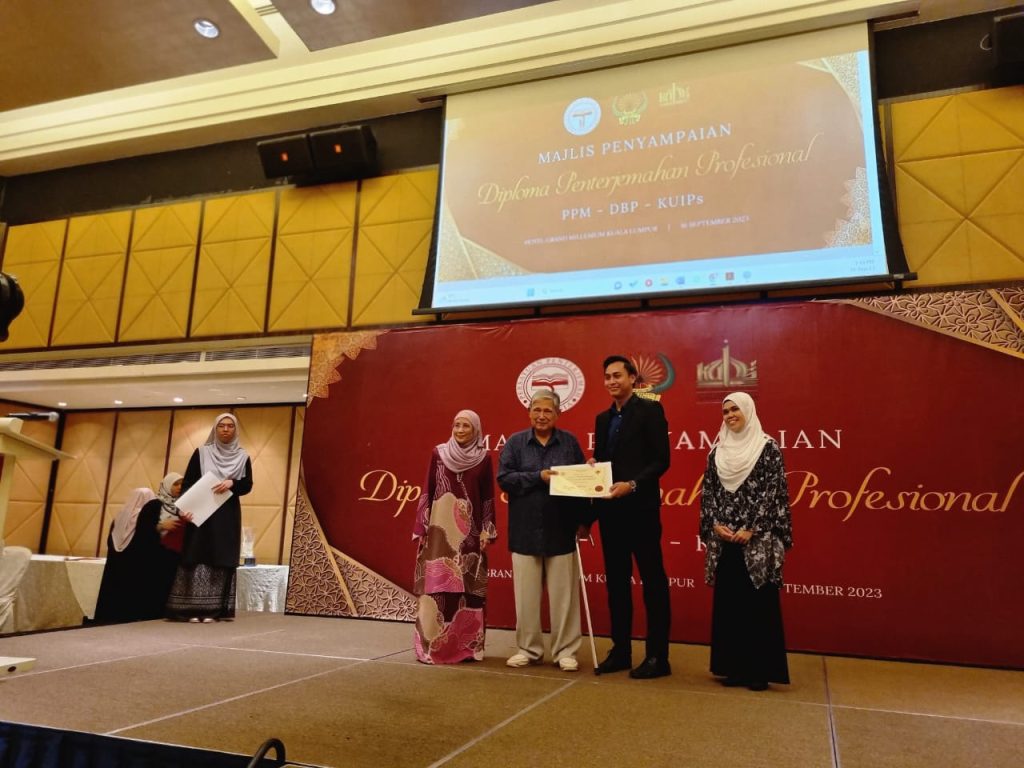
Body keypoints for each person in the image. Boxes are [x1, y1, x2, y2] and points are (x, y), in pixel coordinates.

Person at [700, 392, 793, 691]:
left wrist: (752, 528)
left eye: (735, 409)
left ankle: (759, 671)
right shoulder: (717, 452)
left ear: (748, 411)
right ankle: (734, 668)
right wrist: (715, 524)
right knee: (731, 605)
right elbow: (709, 492)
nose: (729, 415)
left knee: (757, 605)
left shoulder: (767, 448)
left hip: (757, 542)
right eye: (725, 411)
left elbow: (774, 492)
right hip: (726, 539)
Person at [588, 354, 672, 679]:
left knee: (653, 583)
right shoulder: (602, 419)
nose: (611, 381)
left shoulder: (650, 410)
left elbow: (661, 460)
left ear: (633, 378)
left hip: (642, 511)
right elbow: (604, 463)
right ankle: (621, 651)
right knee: (616, 585)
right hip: (611, 514)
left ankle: (658, 657)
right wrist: (593, 468)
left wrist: (633, 484)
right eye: (607, 376)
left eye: (617, 375)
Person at [497, 389, 586, 671]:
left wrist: (584, 520)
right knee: (526, 598)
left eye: (548, 410)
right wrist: (538, 477)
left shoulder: (569, 443)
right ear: (529, 412)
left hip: (562, 530)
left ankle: (565, 651)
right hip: (525, 531)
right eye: (537, 409)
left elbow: (582, 483)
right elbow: (504, 479)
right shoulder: (515, 443)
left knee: (564, 598)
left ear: (558, 414)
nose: (542, 415)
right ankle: (529, 649)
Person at [413, 409, 497, 663]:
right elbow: (428, 489)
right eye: (456, 425)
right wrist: (421, 527)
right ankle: (432, 648)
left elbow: (488, 497)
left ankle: (466, 648)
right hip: (439, 531)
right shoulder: (438, 453)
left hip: (470, 534)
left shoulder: (484, 458)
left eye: (466, 426)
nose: (460, 430)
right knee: (437, 587)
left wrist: (488, 529)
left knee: (468, 589)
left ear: (476, 430)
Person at [167, 413, 253, 623]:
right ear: (215, 429)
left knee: (219, 557)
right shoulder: (202, 453)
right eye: (221, 426)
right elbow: (188, 482)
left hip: (226, 514)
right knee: (197, 555)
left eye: (230, 426)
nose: (225, 429)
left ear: (235, 430)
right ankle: (190, 610)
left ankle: (213, 611)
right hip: (201, 512)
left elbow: (247, 485)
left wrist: (233, 483)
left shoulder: (243, 457)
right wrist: (183, 509)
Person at [94, 473, 187, 623]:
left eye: (182, 483)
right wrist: (160, 526)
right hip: (150, 561)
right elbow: (145, 536)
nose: (180, 487)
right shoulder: (153, 508)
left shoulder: (121, 517)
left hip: (127, 564)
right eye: (176, 484)